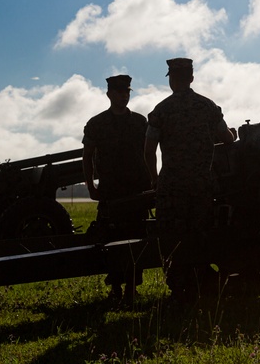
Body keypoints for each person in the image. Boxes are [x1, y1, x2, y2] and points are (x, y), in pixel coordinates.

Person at [144, 57, 234, 304]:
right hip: (201, 186)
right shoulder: (208, 107)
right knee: (200, 236)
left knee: (173, 239)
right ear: (191, 78)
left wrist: (154, 178)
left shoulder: (161, 111)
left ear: (172, 80)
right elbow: (227, 138)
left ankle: (178, 289)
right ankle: (200, 285)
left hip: (171, 188)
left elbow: (149, 149)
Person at [82, 74, 150, 303]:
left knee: (136, 238)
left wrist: (153, 180)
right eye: (119, 92)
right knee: (110, 239)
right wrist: (90, 185)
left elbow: (150, 153)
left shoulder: (140, 122)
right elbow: (87, 157)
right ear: (109, 94)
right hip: (111, 191)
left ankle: (132, 287)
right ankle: (116, 288)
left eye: (127, 92)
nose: (124, 96)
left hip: (137, 190)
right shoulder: (97, 123)